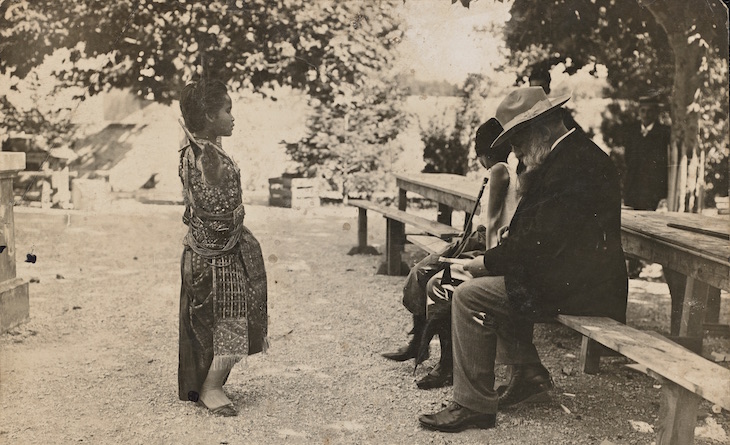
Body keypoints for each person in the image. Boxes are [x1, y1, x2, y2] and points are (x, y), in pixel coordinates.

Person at [418, 87, 628, 433]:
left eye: (517, 140)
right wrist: (501, 252)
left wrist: (485, 262)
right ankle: (528, 373)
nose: (514, 150)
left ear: (542, 131)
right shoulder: (568, 156)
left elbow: (542, 242)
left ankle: (473, 405)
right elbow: (543, 235)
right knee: (487, 286)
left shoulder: (575, 165)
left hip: (584, 286)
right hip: (571, 275)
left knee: (471, 295)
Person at [381, 118, 513, 390]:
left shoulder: (500, 171)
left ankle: (447, 364)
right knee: (421, 269)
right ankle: (419, 341)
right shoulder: (497, 171)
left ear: (482, 154)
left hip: (482, 244)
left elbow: (494, 222)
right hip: (473, 238)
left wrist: (483, 259)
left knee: (438, 281)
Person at [178, 79, 268, 417]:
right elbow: (211, 184)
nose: (233, 117)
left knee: (234, 319)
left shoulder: (198, 149)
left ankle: (212, 382)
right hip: (217, 255)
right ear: (208, 115)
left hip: (219, 249)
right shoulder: (204, 158)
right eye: (226, 110)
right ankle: (211, 387)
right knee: (235, 321)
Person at [622, 95, 670, 277]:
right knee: (633, 225)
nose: (646, 115)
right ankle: (634, 265)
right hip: (634, 186)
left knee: (651, 224)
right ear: (638, 112)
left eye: (650, 111)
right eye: (643, 111)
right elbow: (628, 159)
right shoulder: (632, 132)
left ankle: (653, 264)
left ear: (656, 113)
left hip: (653, 188)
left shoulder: (664, 133)